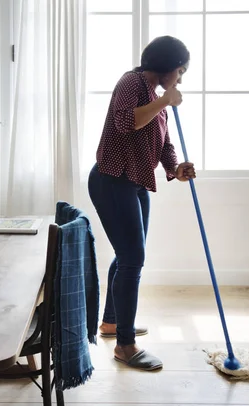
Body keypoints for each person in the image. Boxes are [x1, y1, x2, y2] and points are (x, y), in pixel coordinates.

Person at [87, 35, 196, 371]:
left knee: (127, 256)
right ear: (168, 66)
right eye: (180, 71)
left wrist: (175, 167)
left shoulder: (153, 94)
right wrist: (165, 101)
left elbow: (160, 140)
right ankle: (125, 345)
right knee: (133, 258)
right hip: (112, 179)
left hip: (134, 181)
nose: (180, 78)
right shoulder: (131, 82)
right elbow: (125, 123)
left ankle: (112, 323)